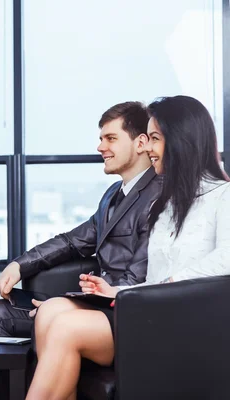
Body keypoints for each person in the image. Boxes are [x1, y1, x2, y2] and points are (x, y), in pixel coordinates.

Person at [26, 95, 230, 400]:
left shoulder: (223, 197)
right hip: (152, 313)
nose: (147, 147)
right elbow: (153, 280)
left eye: (155, 139)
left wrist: (163, 288)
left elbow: (225, 262)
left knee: (65, 327)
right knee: (51, 311)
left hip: (190, 326)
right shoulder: (166, 205)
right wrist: (114, 290)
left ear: (182, 142)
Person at [0, 101, 161, 339]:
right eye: (101, 139)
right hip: (96, 296)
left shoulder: (158, 195)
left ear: (140, 143)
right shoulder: (113, 194)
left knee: (8, 316)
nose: (100, 147)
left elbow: (138, 279)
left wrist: (68, 304)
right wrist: (19, 265)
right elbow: (71, 242)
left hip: (120, 305)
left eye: (110, 138)